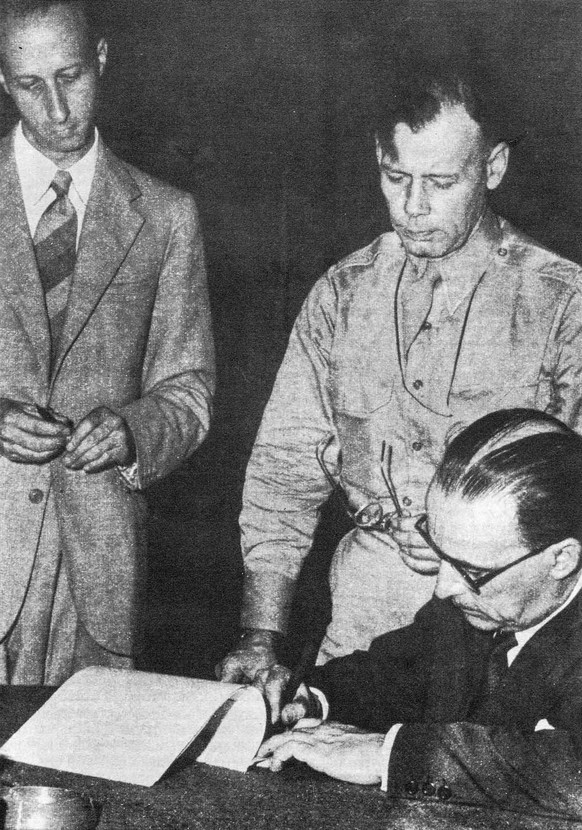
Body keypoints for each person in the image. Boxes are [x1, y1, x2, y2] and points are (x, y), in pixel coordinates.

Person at [219, 66, 582, 686]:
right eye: (396, 177)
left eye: (441, 182)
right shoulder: (342, 294)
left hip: (504, 643)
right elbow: (283, 471)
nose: (413, 208)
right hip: (362, 623)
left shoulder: (562, 305)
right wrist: (261, 636)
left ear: (493, 168)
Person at [0, 0, 214, 684]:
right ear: (2, 81)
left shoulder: (168, 215)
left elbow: (189, 392)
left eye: (71, 76)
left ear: (101, 58)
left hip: (99, 574)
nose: (57, 108)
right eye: (30, 85)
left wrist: (132, 431)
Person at [255, 408, 582, 818]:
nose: (443, 587)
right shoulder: (471, 606)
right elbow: (402, 674)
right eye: (439, 553)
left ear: (563, 559)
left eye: (470, 570)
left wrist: (388, 756)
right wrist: (314, 696)